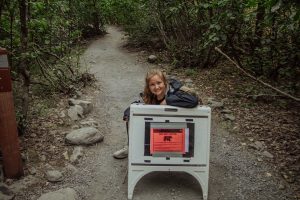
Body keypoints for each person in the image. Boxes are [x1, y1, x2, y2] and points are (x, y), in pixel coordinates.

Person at [113, 69, 200, 159]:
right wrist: (128, 113)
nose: (156, 87)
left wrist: (167, 101)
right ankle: (130, 147)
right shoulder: (149, 95)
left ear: (165, 82)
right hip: (159, 129)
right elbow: (137, 105)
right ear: (148, 87)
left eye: (159, 83)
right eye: (152, 84)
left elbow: (193, 100)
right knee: (131, 115)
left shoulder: (174, 90)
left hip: (178, 130)